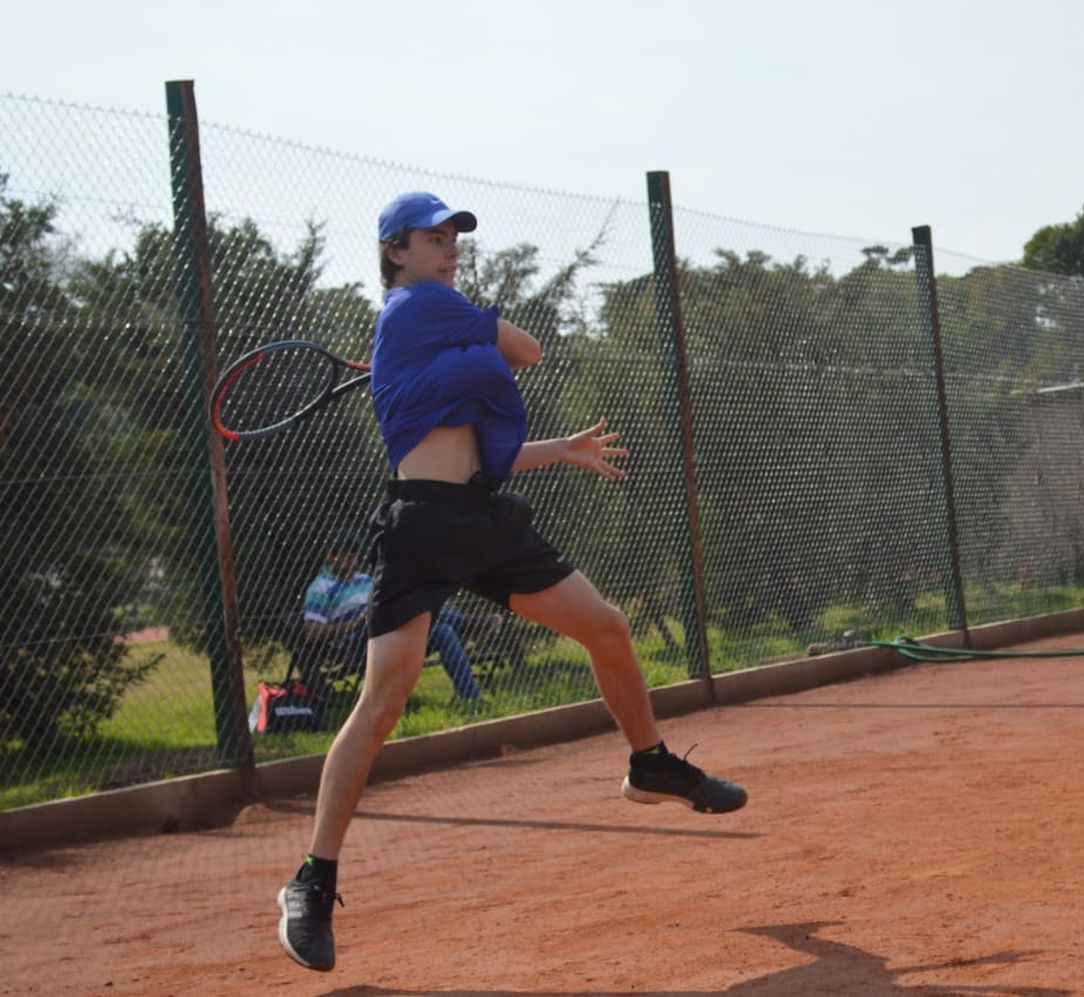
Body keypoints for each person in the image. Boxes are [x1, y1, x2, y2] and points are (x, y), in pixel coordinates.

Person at [277, 192, 747, 972]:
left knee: (606, 626)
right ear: (395, 252)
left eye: (454, 238)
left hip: (482, 517)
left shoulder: (427, 335)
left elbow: (476, 451)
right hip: (423, 527)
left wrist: (558, 447)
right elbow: (526, 346)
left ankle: (650, 762)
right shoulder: (417, 307)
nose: (449, 249)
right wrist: (476, 326)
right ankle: (311, 883)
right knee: (385, 698)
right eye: (432, 239)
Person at [301, 529, 482, 702]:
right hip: (358, 643)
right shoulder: (320, 587)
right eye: (341, 555)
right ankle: (465, 623)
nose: (349, 559)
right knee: (398, 605)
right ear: (330, 556)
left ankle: (471, 698)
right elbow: (312, 633)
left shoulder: (365, 579)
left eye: (353, 554)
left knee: (442, 632)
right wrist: (355, 623)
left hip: (390, 628)